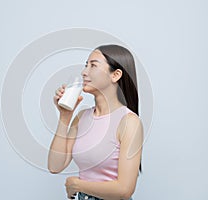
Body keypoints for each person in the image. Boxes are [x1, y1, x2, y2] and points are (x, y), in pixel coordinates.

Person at [48, 44, 144, 200]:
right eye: (86, 65)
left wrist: (77, 185)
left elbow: (125, 189)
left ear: (115, 75)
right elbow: (55, 166)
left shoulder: (129, 122)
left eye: (93, 65)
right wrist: (65, 116)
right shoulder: (81, 117)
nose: (84, 72)